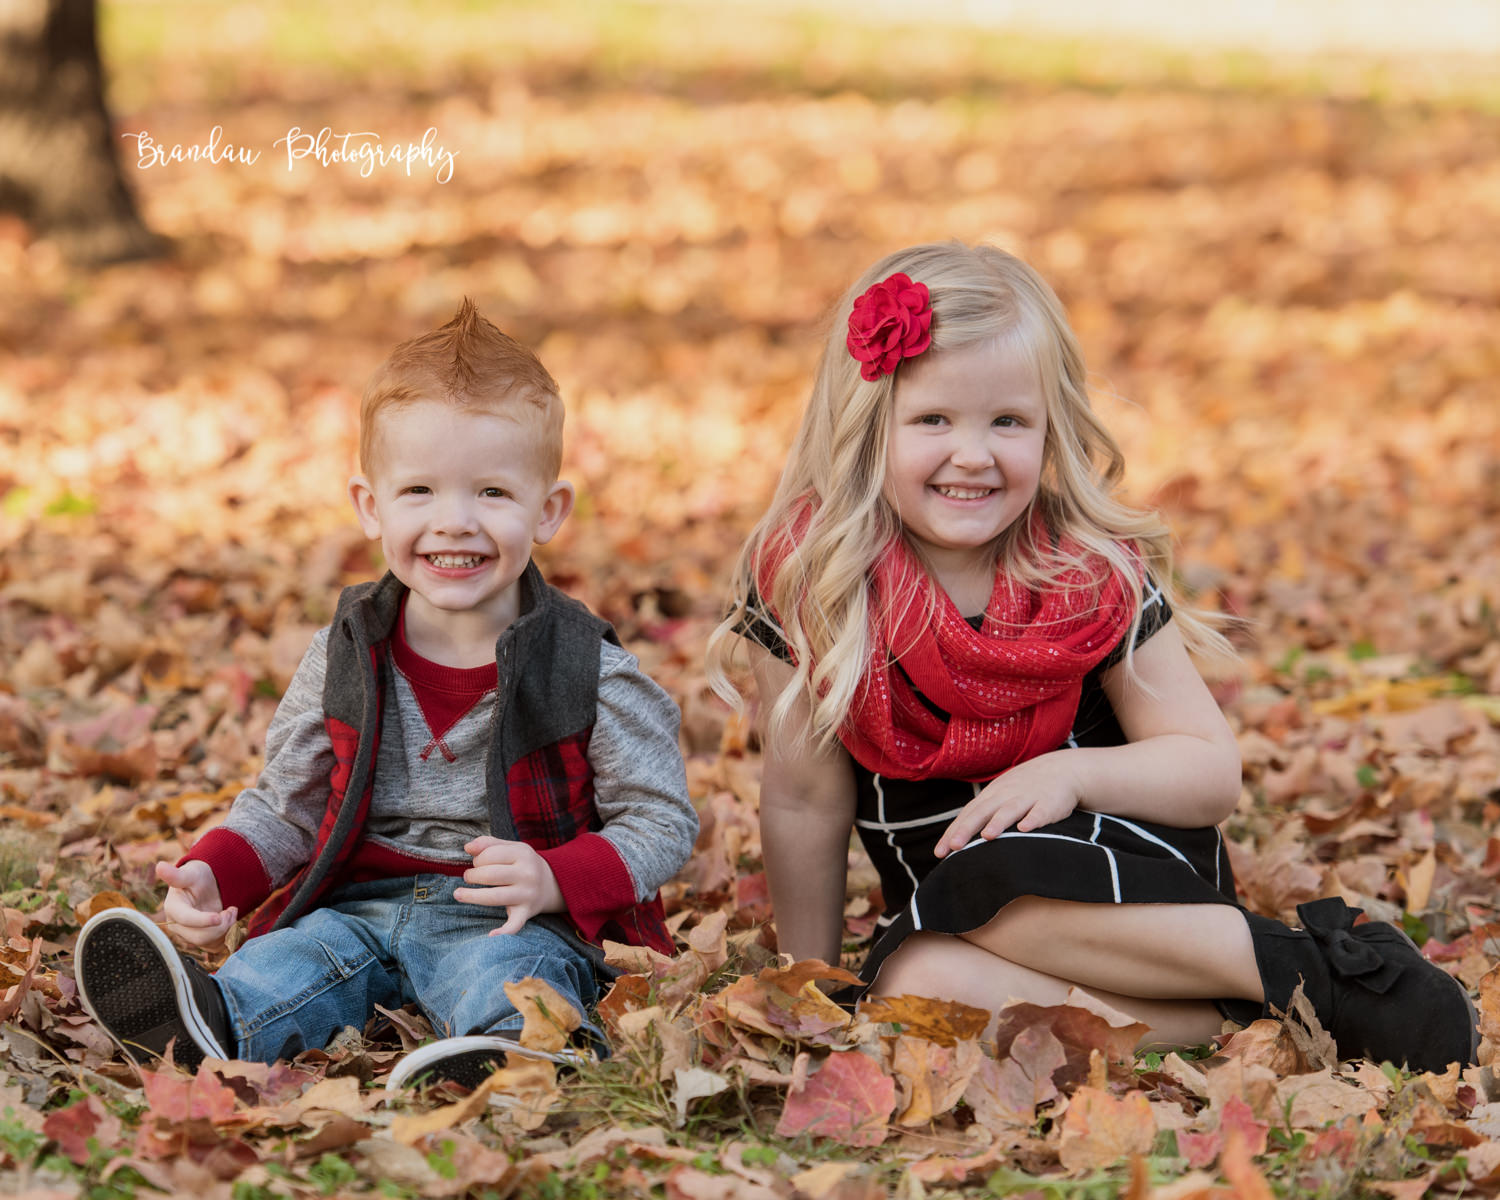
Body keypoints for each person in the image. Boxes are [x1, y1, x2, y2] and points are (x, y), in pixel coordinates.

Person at [707, 241, 1476, 1073]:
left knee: (988, 880)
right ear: (865, 427)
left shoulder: (1084, 574)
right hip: (954, 910)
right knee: (912, 986)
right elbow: (803, 803)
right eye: (933, 420)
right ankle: (1264, 1014)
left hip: (1127, 877)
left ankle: (1302, 961)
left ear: (1051, 427)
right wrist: (809, 984)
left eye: (1008, 421)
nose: (973, 455)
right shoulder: (811, 581)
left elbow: (1207, 768)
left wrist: (1069, 778)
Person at [76, 300, 698, 1089]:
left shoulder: (587, 668)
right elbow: (286, 804)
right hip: (358, 906)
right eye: (420, 493)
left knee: (512, 973)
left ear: (549, 510)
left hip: (509, 914)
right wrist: (214, 873)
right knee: (287, 961)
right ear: (371, 506)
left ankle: (519, 1053)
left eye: (494, 494)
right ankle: (209, 1023)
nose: (456, 523)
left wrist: (557, 878)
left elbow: (663, 820)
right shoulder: (346, 652)